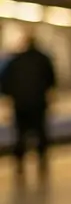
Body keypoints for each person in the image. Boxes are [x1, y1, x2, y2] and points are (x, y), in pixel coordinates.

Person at [0, 30, 57, 181]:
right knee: (40, 133)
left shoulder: (15, 60)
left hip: (20, 103)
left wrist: (11, 95)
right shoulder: (43, 59)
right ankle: (42, 162)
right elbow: (52, 80)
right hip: (38, 103)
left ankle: (19, 166)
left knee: (20, 134)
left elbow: (5, 82)